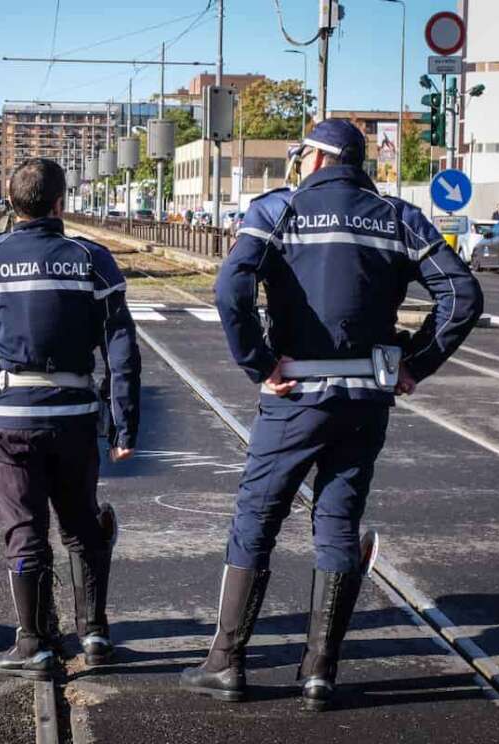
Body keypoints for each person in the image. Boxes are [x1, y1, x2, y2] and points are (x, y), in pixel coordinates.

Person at [179, 120, 483, 709]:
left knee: (257, 518)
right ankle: (320, 672)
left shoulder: (277, 211)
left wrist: (259, 362)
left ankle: (227, 661)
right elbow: (462, 296)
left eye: (301, 155)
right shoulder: (397, 216)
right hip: (365, 399)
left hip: (295, 396)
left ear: (317, 158)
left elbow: (229, 290)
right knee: (339, 521)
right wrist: (414, 363)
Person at [0, 158, 141, 680]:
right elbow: (122, 347)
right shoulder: (92, 258)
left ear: (9, 197)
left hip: (9, 417)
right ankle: (93, 633)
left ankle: (34, 643)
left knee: (24, 527)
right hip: (74, 416)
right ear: (60, 203)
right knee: (81, 526)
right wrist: (123, 424)